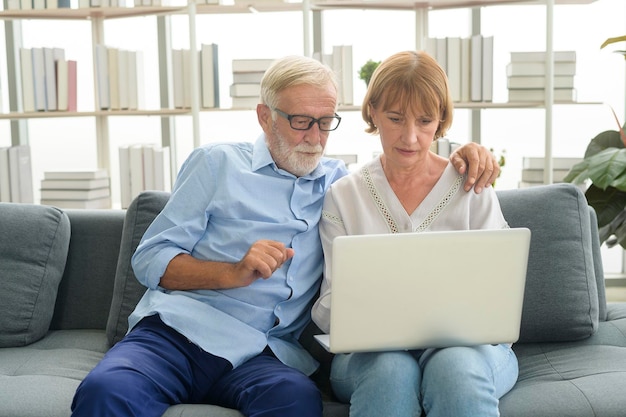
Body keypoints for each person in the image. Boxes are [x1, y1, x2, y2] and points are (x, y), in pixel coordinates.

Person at [70, 54, 500, 417]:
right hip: (178, 335)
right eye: (300, 122)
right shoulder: (217, 164)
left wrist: (468, 151)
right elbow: (148, 259)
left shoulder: (337, 183)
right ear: (264, 116)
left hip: (264, 352)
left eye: (325, 123)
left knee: (296, 402)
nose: (314, 138)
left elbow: (412, 154)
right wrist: (231, 272)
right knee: (106, 393)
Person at [311, 50, 517, 417]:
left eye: (425, 121)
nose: (410, 137)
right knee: (390, 370)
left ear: (440, 121)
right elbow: (329, 310)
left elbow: (499, 297)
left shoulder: (472, 184)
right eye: (395, 118)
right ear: (372, 111)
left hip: (471, 354)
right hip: (369, 357)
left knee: (454, 369)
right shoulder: (344, 196)